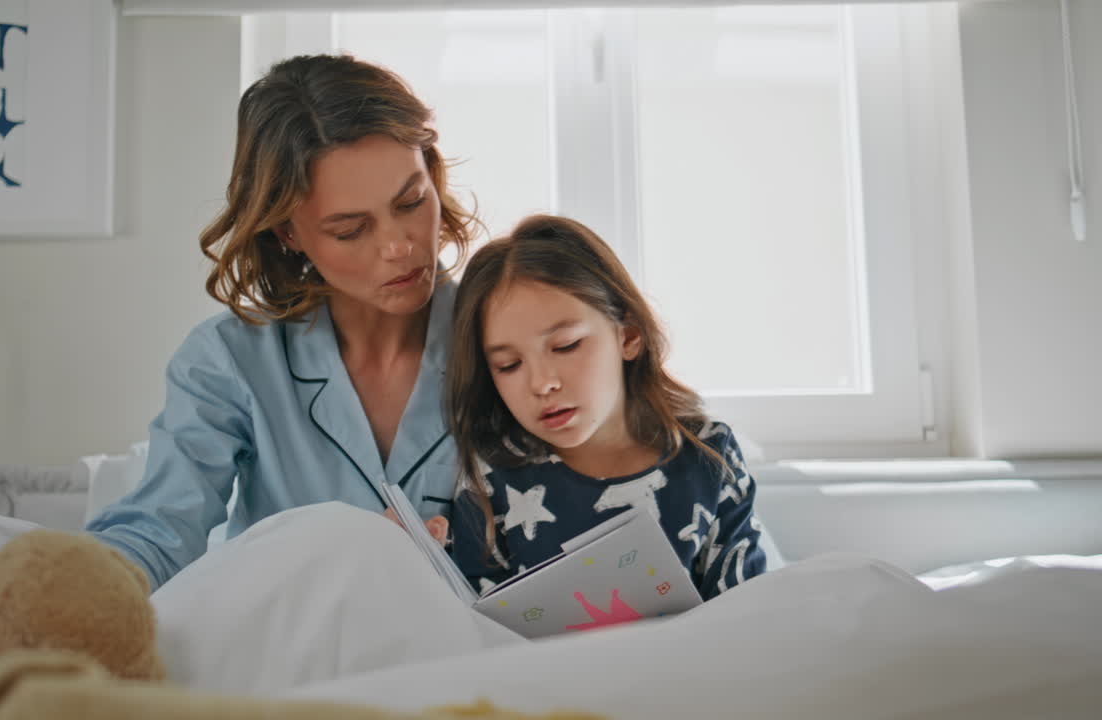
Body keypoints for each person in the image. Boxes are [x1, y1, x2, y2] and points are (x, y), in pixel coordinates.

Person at [76, 53, 475, 591]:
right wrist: (49, 585)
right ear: (290, 234)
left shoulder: (510, 338)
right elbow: (159, 531)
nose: (399, 246)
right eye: (349, 230)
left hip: (479, 656)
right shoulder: (228, 361)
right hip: (291, 653)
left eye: (410, 201)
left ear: (432, 174)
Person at [445, 214, 767, 600]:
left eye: (565, 346)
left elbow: (747, 612)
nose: (542, 383)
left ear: (628, 335)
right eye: (508, 365)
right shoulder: (488, 476)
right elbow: (478, 628)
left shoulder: (709, 456)